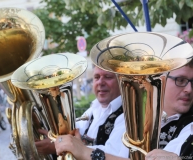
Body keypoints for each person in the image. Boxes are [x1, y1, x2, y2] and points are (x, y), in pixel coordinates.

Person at [54, 59, 193, 160]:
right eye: (180, 80)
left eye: (192, 82)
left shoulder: (190, 126)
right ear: (160, 80)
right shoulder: (135, 118)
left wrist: (85, 152)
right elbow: (115, 153)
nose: (189, 89)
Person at [35, 66, 129, 158]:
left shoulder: (126, 116)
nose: (100, 82)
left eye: (108, 77)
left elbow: (115, 155)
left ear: (121, 81)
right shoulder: (94, 108)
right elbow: (73, 130)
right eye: (96, 77)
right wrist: (53, 136)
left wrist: (60, 145)